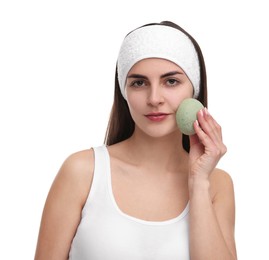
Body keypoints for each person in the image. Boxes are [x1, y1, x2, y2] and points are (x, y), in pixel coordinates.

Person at [34, 21, 237, 260]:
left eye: (171, 81)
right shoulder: (82, 172)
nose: (154, 98)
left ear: (193, 91)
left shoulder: (217, 184)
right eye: (139, 83)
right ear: (124, 91)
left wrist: (199, 183)